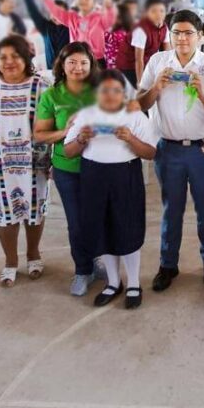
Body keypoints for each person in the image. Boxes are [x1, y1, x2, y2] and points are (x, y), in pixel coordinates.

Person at [137, 10, 204, 293]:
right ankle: (168, 263)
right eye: (176, 32)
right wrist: (156, 87)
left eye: (188, 32)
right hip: (169, 149)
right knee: (171, 209)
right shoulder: (157, 61)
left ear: (200, 36)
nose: (182, 38)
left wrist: (202, 93)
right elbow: (140, 103)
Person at [63, 70, 159, 310]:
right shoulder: (85, 116)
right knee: (101, 228)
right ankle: (113, 283)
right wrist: (81, 140)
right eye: (104, 90)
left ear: (124, 93)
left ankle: (134, 283)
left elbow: (150, 153)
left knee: (127, 228)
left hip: (125, 175)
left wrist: (131, 140)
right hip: (94, 176)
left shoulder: (135, 117)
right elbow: (68, 152)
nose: (110, 95)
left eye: (116, 90)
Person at [0, 35, 52, 287]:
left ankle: (34, 253)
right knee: (5, 214)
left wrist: (53, 160)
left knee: (35, 211)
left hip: (36, 163)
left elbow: (55, 124)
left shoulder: (43, 87)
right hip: (0, 167)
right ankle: (10, 260)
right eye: (3, 57)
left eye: (15, 56)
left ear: (26, 58)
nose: (9, 62)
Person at [34, 42, 99, 296]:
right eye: (72, 62)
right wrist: (67, 131)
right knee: (76, 222)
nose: (78, 67)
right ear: (61, 64)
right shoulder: (52, 95)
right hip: (66, 167)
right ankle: (82, 269)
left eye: (83, 62)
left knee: (98, 219)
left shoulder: (100, 91)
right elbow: (39, 134)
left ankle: (96, 261)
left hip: (99, 166)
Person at [132, 0, 170, 82]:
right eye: (154, 11)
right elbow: (139, 60)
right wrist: (140, 83)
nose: (158, 14)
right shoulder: (141, 30)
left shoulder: (165, 27)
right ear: (147, 13)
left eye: (161, 11)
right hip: (133, 66)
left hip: (150, 63)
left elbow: (167, 53)